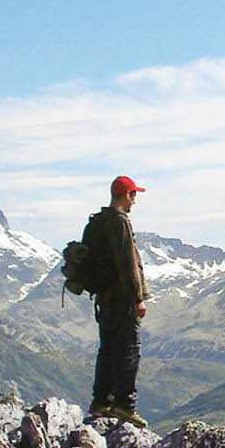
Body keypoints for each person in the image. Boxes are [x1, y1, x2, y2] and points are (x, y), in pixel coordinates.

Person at [89, 175, 152, 427]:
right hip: (123, 300)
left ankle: (101, 401)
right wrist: (138, 299)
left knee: (107, 350)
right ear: (126, 195)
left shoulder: (99, 222)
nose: (135, 201)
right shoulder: (120, 223)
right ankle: (125, 406)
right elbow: (128, 264)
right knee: (128, 351)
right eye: (134, 195)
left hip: (105, 300)